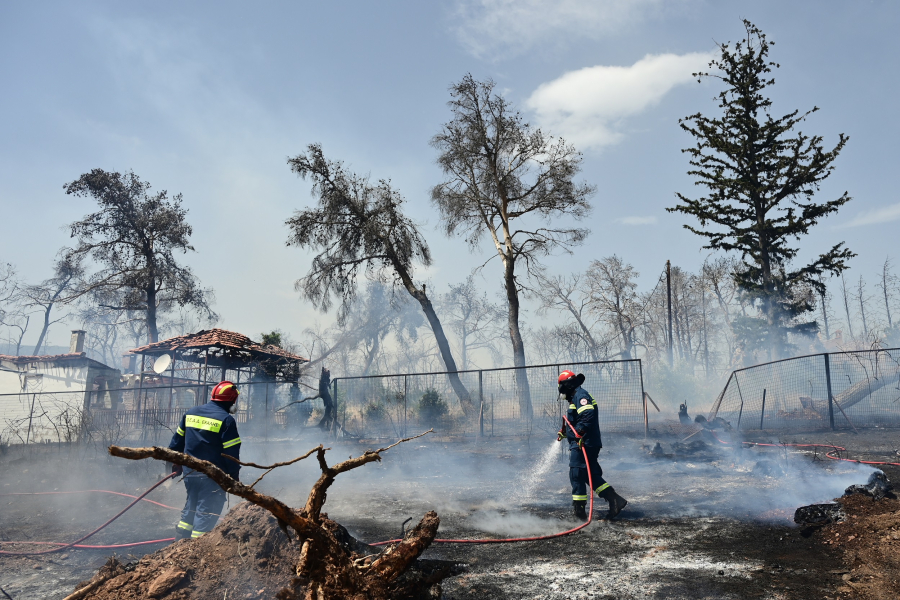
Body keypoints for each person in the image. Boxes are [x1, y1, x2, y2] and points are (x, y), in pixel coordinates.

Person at [168, 380, 242, 540]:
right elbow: (231, 454)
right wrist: (233, 476)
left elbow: (176, 443)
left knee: (191, 506)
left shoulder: (191, 413)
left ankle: (178, 544)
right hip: (212, 477)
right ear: (232, 401)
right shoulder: (227, 420)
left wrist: (177, 463)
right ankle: (195, 550)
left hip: (190, 474)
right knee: (207, 512)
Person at [556, 370, 628, 521]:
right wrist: (567, 433)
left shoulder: (580, 396)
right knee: (589, 475)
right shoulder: (576, 396)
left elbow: (588, 416)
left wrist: (579, 433)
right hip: (586, 441)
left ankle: (579, 512)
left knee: (576, 473)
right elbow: (577, 421)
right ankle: (615, 500)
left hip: (584, 443)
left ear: (566, 386)